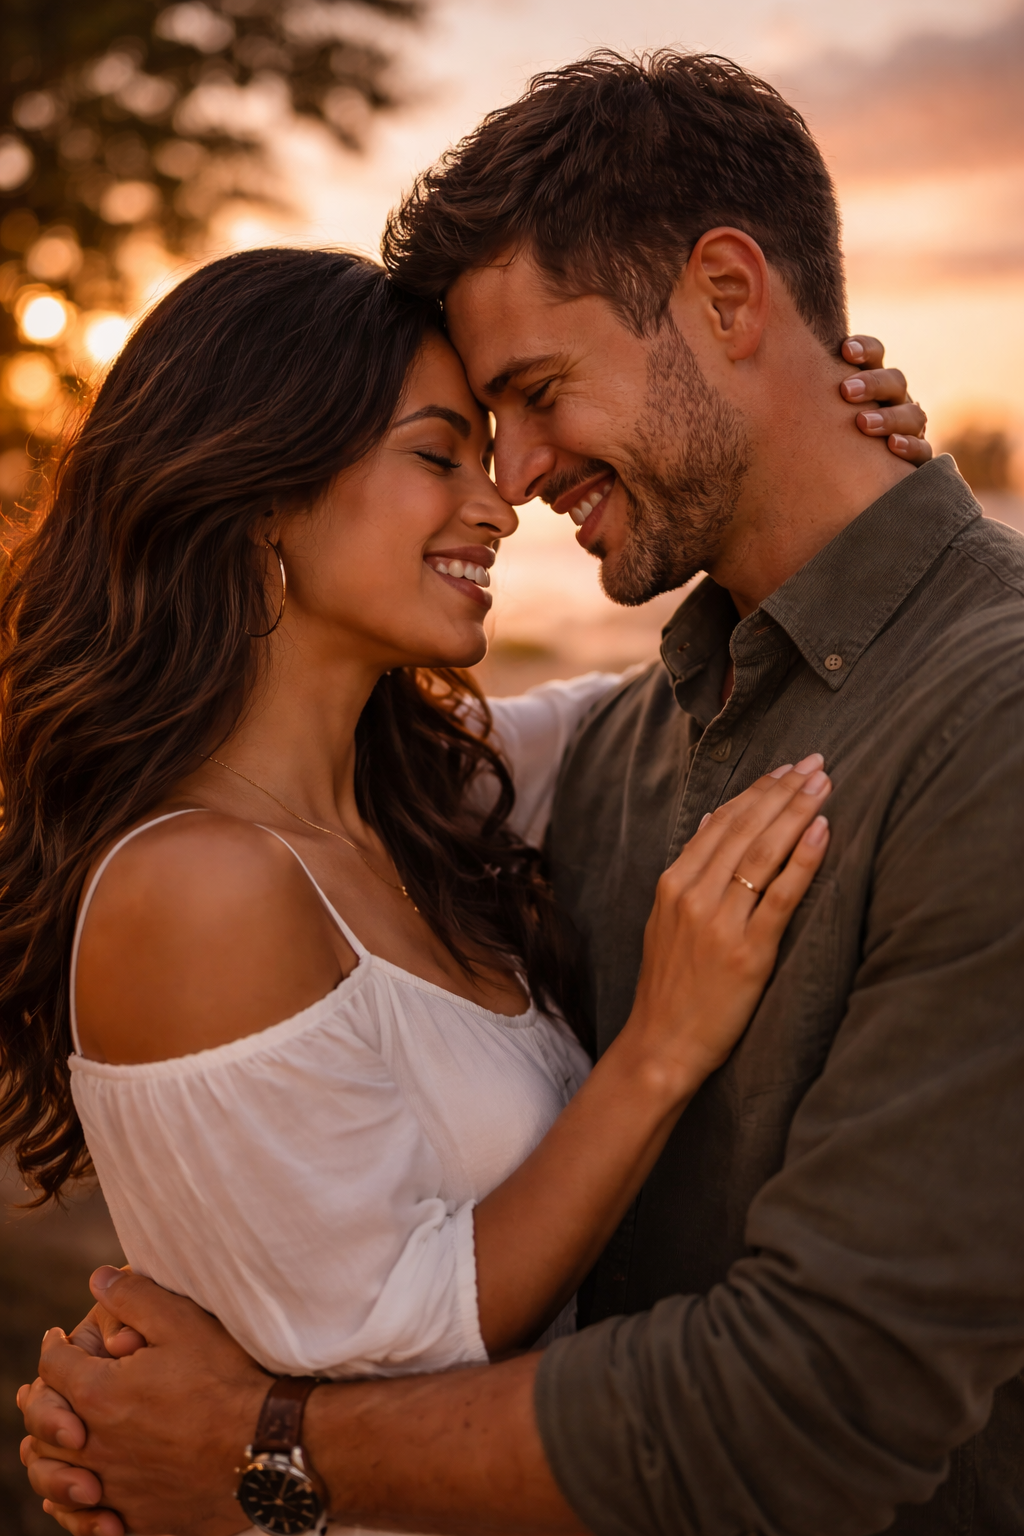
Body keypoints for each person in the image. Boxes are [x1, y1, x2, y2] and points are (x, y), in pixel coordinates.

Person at [21, 48, 1024, 1536]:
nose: (517, 481)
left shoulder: (976, 727)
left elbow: (815, 1414)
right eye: (465, 439)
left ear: (730, 298)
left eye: (534, 398)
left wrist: (254, 1448)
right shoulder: (631, 750)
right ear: (258, 504)